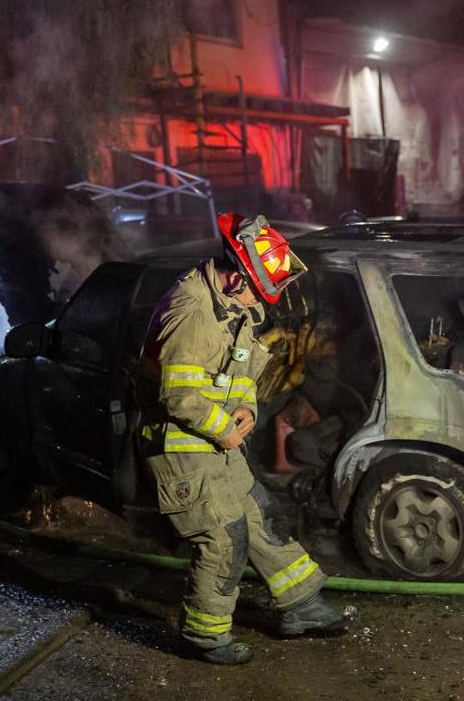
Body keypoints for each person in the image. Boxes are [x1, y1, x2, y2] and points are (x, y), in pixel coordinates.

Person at [137, 212, 358, 665]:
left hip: (216, 439)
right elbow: (177, 395)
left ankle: (302, 604)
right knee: (224, 539)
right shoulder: (191, 309)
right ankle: (204, 636)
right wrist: (225, 429)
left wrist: (247, 409)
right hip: (182, 446)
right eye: (258, 290)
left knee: (261, 516)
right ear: (237, 276)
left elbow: (238, 375)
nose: (261, 301)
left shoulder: (235, 306)